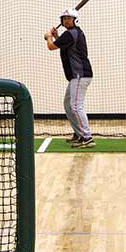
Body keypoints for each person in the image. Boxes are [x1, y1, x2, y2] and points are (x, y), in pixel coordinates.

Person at [44, 8, 94, 148]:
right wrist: (56, 36)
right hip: (77, 76)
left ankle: (87, 137)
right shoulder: (73, 33)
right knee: (68, 104)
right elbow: (64, 45)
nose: (66, 20)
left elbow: (52, 47)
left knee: (76, 106)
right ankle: (79, 134)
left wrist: (49, 37)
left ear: (75, 20)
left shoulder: (70, 34)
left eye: (69, 18)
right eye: (64, 18)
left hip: (80, 75)